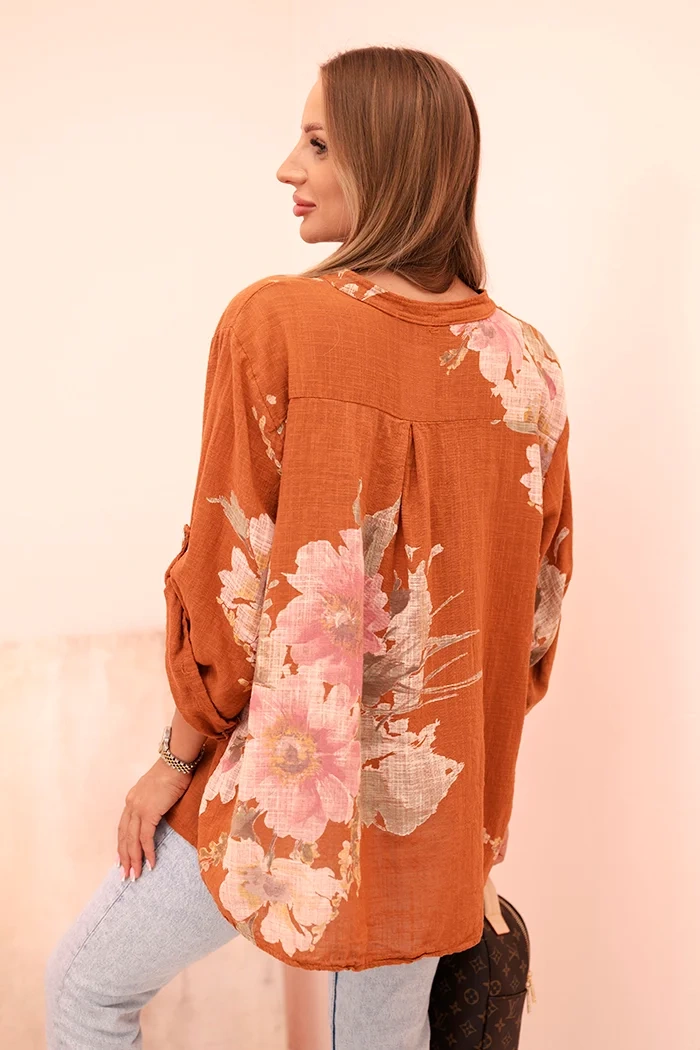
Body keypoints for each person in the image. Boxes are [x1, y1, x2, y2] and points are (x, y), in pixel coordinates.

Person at [44, 44, 572, 1050]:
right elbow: (534, 625)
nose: (289, 166)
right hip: (433, 815)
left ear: (390, 157)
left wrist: (173, 759)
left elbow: (231, 583)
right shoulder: (529, 366)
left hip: (283, 789)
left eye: (319, 143)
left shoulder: (274, 323)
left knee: (86, 988)